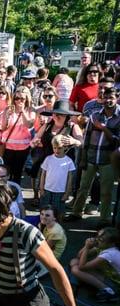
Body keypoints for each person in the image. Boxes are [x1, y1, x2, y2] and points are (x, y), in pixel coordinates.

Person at [67, 88, 119, 226]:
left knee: (106, 192)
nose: (108, 100)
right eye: (105, 97)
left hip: (108, 160)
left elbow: (117, 142)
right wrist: (83, 158)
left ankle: (104, 219)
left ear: (117, 98)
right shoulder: (95, 115)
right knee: (83, 187)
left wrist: (103, 128)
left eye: (111, 97)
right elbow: (87, 138)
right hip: (91, 157)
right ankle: (76, 212)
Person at [71, 227, 120, 302]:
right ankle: (93, 282)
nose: (97, 240)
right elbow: (79, 256)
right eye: (97, 236)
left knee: (76, 269)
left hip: (115, 283)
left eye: (101, 240)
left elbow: (82, 267)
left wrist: (87, 247)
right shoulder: (103, 246)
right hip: (109, 275)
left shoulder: (110, 254)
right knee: (74, 261)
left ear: (111, 243)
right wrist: (86, 246)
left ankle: (109, 291)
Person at [39, 135, 76, 216]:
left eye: (59, 148)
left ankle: (58, 227)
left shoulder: (69, 161)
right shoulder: (48, 159)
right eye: (54, 148)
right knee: (44, 211)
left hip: (60, 192)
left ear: (65, 147)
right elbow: (43, 174)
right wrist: (41, 188)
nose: (56, 150)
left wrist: (67, 193)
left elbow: (70, 179)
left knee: (58, 212)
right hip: (47, 190)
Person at [36, 205, 67, 278]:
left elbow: (46, 249)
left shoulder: (55, 231)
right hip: (46, 249)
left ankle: (47, 268)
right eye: (42, 214)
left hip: (52, 255)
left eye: (47, 215)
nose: (43, 217)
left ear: (54, 218)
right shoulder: (44, 225)